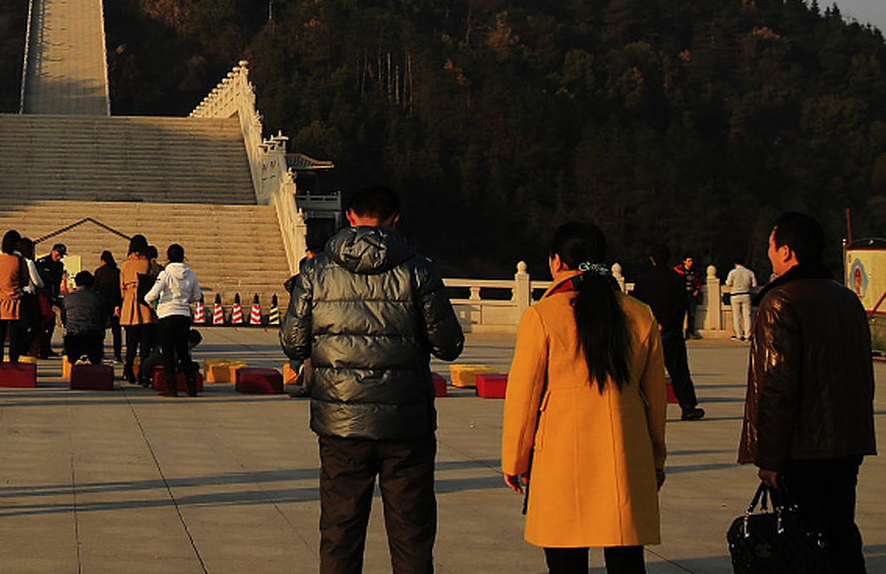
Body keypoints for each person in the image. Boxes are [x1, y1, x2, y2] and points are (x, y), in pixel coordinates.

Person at [282, 184, 465, 574]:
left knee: (340, 532)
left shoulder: (315, 271)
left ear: (349, 216)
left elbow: (293, 343)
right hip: (405, 422)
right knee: (411, 534)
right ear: (396, 218)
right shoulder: (419, 268)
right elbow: (448, 345)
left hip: (341, 422)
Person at [503, 221, 667, 574]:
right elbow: (655, 398)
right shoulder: (640, 314)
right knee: (626, 560)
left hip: (560, 460)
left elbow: (523, 396)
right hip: (626, 454)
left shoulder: (542, 316)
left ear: (556, 262)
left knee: (565, 561)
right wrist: (655, 458)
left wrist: (514, 460)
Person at [738, 212, 875, 574]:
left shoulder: (781, 301)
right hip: (846, 442)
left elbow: (778, 386)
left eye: (771, 246)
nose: (769, 253)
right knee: (840, 531)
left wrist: (769, 457)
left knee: (802, 541)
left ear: (786, 251)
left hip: (801, 447)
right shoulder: (847, 299)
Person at [629, 245, 704, 421]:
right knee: (679, 371)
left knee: (641, 373)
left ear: (652, 259)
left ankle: (636, 409)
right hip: (672, 332)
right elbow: (681, 306)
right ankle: (688, 407)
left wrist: (653, 323)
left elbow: (637, 307)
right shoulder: (677, 279)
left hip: (648, 332)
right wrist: (669, 324)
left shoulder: (643, 281)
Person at [144, 244, 203, 395]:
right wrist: (184, 300)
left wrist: (152, 302)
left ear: (168, 258)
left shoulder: (165, 274)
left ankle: (171, 388)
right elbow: (197, 296)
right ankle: (191, 387)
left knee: (168, 352)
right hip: (183, 316)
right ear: (183, 257)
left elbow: (151, 295)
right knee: (183, 352)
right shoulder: (191, 275)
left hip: (167, 316)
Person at [118, 236, 156, 385]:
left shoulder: (125, 264)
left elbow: (121, 288)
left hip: (129, 304)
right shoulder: (149, 264)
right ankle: (143, 374)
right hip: (145, 304)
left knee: (131, 344)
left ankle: (128, 371)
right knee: (145, 344)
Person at [0, 230, 28, 364]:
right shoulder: (18, 259)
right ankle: (13, 361)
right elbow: (25, 280)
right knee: (15, 336)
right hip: (15, 300)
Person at [61, 270, 108, 365]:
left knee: (71, 348)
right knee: (96, 356)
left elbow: (64, 319)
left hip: (73, 338)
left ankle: (75, 361)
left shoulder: (68, 298)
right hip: (93, 337)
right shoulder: (98, 298)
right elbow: (103, 320)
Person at [94, 250, 123, 363]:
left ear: (102, 260)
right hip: (115, 303)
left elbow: (94, 288)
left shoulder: (99, 272)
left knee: (101, 330)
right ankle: (117, 354)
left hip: (102, 303)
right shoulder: (117, 272)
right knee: (116, 331)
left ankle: (100, 352)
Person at [724, 258, 759, 341]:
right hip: (746, 294)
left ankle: (738, 335)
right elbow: (754, 284)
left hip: (735, 295)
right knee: (747, 316)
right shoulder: (749, 272)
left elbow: (728, 283)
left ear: (735, 264)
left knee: (737, 316)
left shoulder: (733, 272)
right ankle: (748, 335)